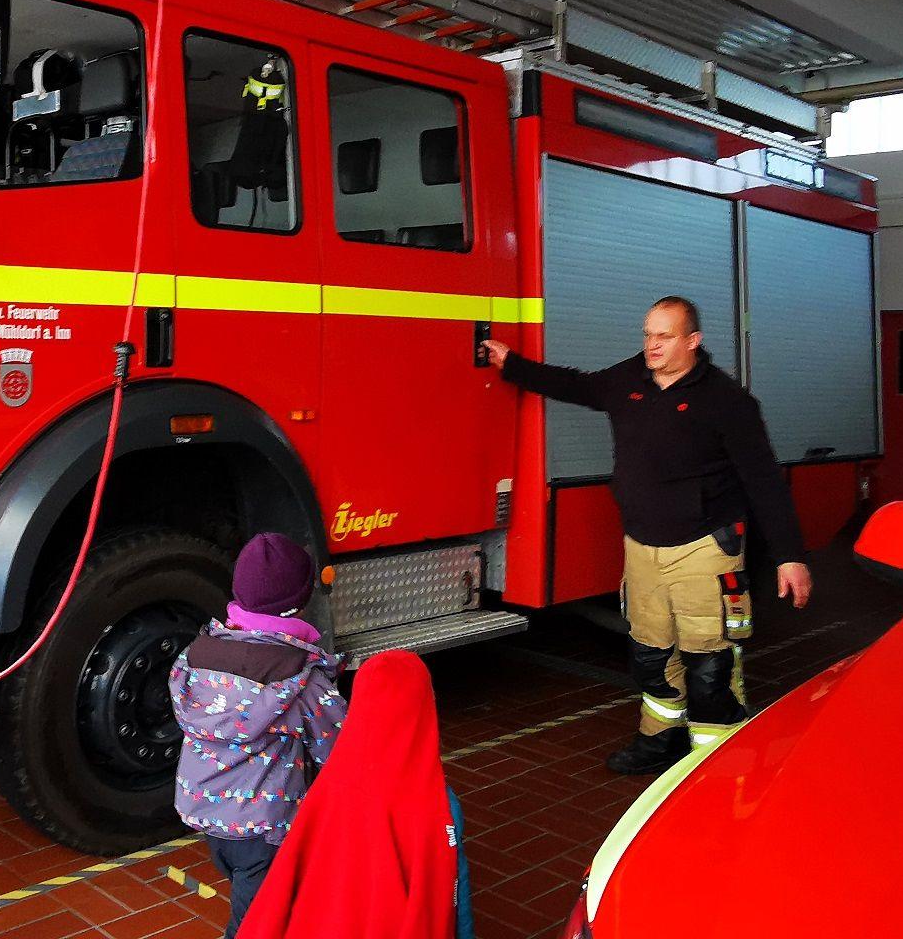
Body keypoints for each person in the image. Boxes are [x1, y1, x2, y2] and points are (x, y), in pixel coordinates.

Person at [483, 296, 812, 776]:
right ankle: (660, 740)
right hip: (641, 548)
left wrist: (789, 556)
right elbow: (576, 385)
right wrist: (513, 365)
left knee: (710, 660)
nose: (652, 346)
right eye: (648, 335)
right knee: (651, 653)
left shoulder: (727, 401)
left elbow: (764, 480)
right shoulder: (629, 380)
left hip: (705, 547)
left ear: (693, 341)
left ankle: (717, 758)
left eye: (664, 336)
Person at [171, 532, 349, 939]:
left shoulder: (195, 656)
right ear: (301, 602)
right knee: (255, 925)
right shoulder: (300, 677)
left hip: (207, 815)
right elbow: (340, 750)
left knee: (253, 903)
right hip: (262, 830)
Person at [235, 649, 472, 939]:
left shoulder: (327, 788)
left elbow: (287, 880)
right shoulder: (437, 806)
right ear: (426, 707)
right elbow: (452, 893)